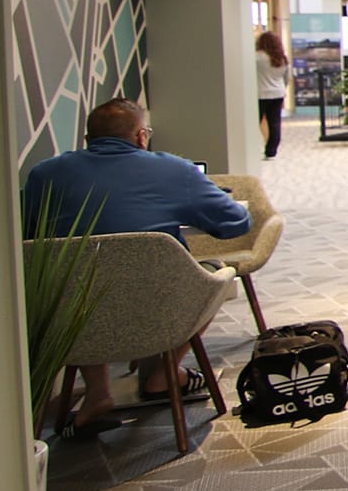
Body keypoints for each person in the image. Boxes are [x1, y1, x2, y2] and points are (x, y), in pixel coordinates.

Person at [23, 97, 251, 434]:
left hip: (74, 314)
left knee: (78, 275)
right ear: (142, 136)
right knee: (213, 272)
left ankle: (97, 392)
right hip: (158, 305)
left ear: (88, 139)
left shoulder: (43, 175)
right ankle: (164, 374)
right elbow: (236, 223)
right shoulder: (174, 170)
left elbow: (27, 234)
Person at [255, 31, 288, 158]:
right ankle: (271, 151)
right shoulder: (281, 58)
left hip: (261, 93)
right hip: (278, 93)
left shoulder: (257, 57)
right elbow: (286, 77)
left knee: (255, 122)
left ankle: (252, 148)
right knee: (274, 122)